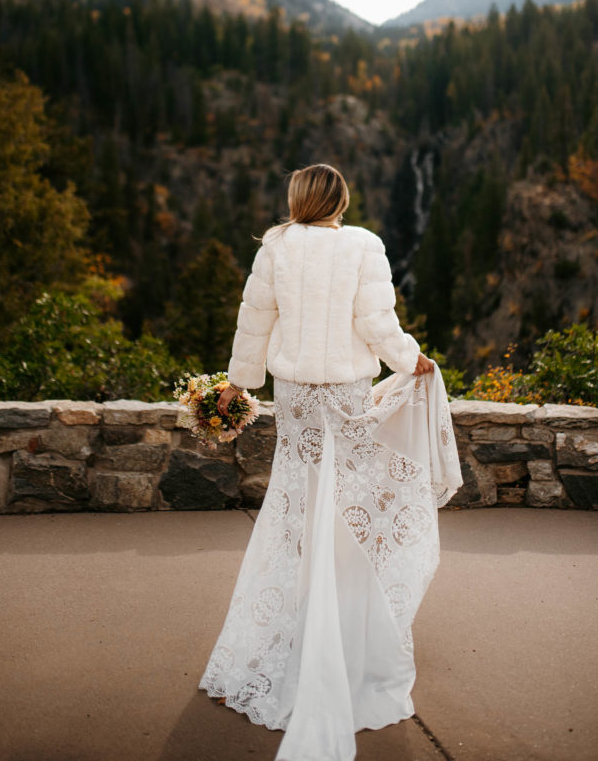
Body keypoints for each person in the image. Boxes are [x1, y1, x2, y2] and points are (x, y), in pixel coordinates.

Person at [198, 162, 463, 761]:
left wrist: (240, 386)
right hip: (343, 397)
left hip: (294, 402)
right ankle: (344, 638)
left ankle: (282, 643)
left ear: (297, 199)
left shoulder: (275, 248)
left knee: (295, 511)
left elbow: (254, 322)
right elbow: (375, 323)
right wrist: (409, 359)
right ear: (341, 200)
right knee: (345, 511)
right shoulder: (365, 247)